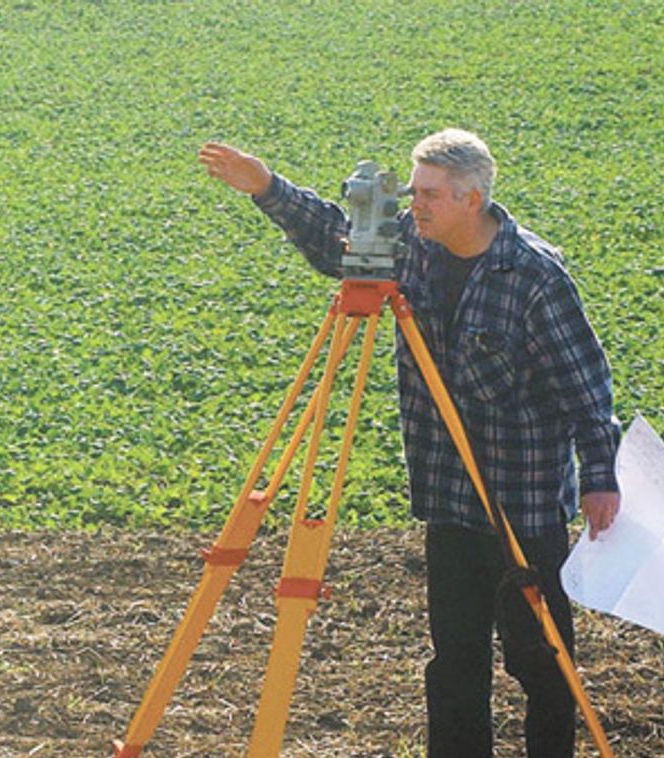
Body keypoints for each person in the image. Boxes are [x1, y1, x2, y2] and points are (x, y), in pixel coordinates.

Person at [198, 130, 621, 758]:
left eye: (427, 195)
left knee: (541, 662)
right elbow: (338, 237)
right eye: (413, 191)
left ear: (471, 198)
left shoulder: (533, 275)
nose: (412, 205)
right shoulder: (413, 250)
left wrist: (599, 477)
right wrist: (265, 185)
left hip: (521, 500)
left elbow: (585, 384)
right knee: (453, 662)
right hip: (449, 499)